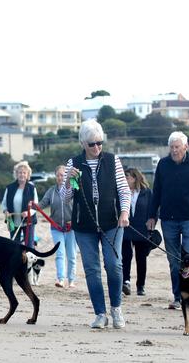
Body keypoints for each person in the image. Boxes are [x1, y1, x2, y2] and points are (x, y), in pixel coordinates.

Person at [60, 119, 130, 329]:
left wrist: (125, 212)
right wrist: (68, 181)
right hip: (84, 225)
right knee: (92, 269)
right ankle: (100, 313)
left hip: (113, 221)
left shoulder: (112, 160)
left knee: (114, 265)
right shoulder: (74, 163)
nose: (97, 147)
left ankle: (116, 308)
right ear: (83, 143)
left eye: (100, 142)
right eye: (92, 144)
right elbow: (65, 197)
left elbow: (124, 190)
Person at [146, 131, 189, 310]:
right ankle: (178, 296)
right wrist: (152, 216)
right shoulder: (163, 164)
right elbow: (156, 192)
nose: (174, 151)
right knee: (174, 261)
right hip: (168, 219)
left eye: (177, 147)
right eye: (172, 147)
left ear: (185, 147)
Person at [37, 165, 76, 288]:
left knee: (71, 255)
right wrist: (33, 205)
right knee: (60, 253)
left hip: (71, 228)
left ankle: (71, 280)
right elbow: (42, 204)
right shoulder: (51, 191)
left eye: (63, 175)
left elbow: (79, 208)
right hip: (56, 227)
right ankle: (60, 279)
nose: (60, 177)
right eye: (58, 175)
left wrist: (74, 221)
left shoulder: (74, 190)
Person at [121, 167, 154, 297]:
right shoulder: (122, 192)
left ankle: (141, 285)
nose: (125, 180)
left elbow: (153, 209)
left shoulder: (147, 192)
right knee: (126, 256)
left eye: (127, 177)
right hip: (125, 228)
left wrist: (152, 221)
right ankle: (126, 281)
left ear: (135, 178)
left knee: (141, 258)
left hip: (142, 229)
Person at [2, 161, 38, 248]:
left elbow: (35, 205)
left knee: (29, 246)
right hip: (13, 222)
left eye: (24, 173)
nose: (22, 175)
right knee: (14, 246)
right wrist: (5, 211)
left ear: (28, 174)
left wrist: (28, 213)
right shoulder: (9, 187)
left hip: (28, 222)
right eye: (20, 172)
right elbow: (4, 203)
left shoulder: (32, 188)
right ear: (16, 174)